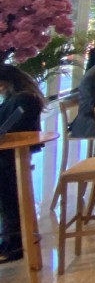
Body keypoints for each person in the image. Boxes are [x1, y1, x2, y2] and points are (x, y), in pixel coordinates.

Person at [0, 66, 45, 264]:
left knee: (8, 197)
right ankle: (12, 238)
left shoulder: (24, 100)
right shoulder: (20, 98)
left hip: (10, 157)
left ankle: (14, 242)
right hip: (10, 156)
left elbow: (10, 129)